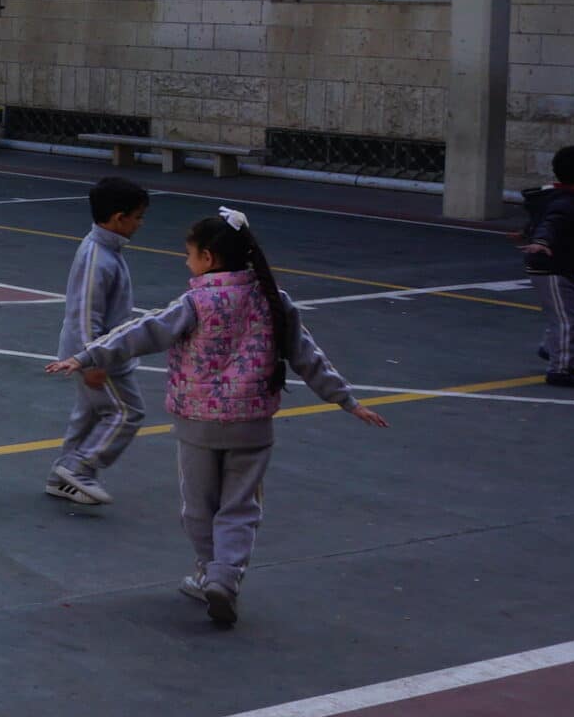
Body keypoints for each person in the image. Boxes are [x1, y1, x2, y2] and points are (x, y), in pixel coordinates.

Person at [49, 209, 389, 628]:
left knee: (198, 505)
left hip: (198, 421)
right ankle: (224, 577)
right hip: (253, 421)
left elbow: (143, 331)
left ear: (208, 258)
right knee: (240, 506)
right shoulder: (273, 299)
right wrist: (347, 401)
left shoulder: (197, 301)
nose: (186, 262)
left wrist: (87, 354)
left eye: (189, 255)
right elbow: (307, 357)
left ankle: (207, 569)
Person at [48, 175, 150, 507]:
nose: (140, 223)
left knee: (89, 415)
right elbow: (84, 313)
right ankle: (79, 467)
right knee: (128, 411)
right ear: (118, 218)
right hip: (99, 355)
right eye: (137, 216)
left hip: (103, 352)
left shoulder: (107, 251)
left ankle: (59, 479)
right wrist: (92, 359)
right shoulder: (97, 257)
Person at [519, 145, 574, 390]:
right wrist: (540, 241)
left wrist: (527, 234)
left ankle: (554, 350)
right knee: (567, 319)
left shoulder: (556, 197)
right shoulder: (567, 203)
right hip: (552, 268)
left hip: (560, 268)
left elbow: (541, 220)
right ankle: (560, 369)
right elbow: (550, 224)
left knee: (567, 314)